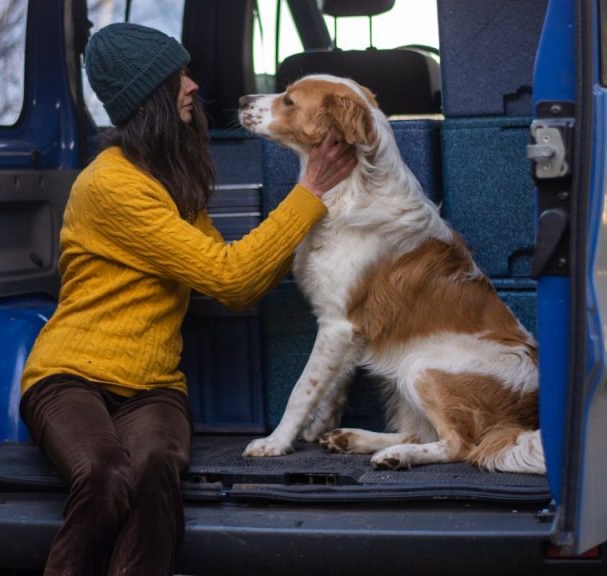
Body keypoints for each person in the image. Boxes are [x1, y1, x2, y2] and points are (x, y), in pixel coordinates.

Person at [19, 22, 356, 576]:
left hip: (153, 387)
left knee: (155, 474)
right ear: (149, 97)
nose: (194, 86)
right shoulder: (110, 186)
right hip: (69, 376)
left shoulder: (171, 180)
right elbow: (229, 277)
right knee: (106, 474)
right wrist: (309, 192)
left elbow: (237, 282)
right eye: (178, 78)